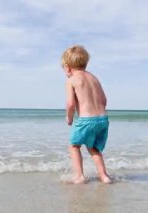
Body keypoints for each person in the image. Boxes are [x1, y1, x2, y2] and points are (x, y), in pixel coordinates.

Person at [62, 45, 112, 184]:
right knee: (94, 148)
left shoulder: (71, 80)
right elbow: (104, 100)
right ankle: (104, 176)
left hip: (86, 120)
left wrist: (70, 117)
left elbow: (70, 104)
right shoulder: (94, 78)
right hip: (103, 119)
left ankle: (79, 176)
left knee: (74, 146)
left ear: (67, 66)